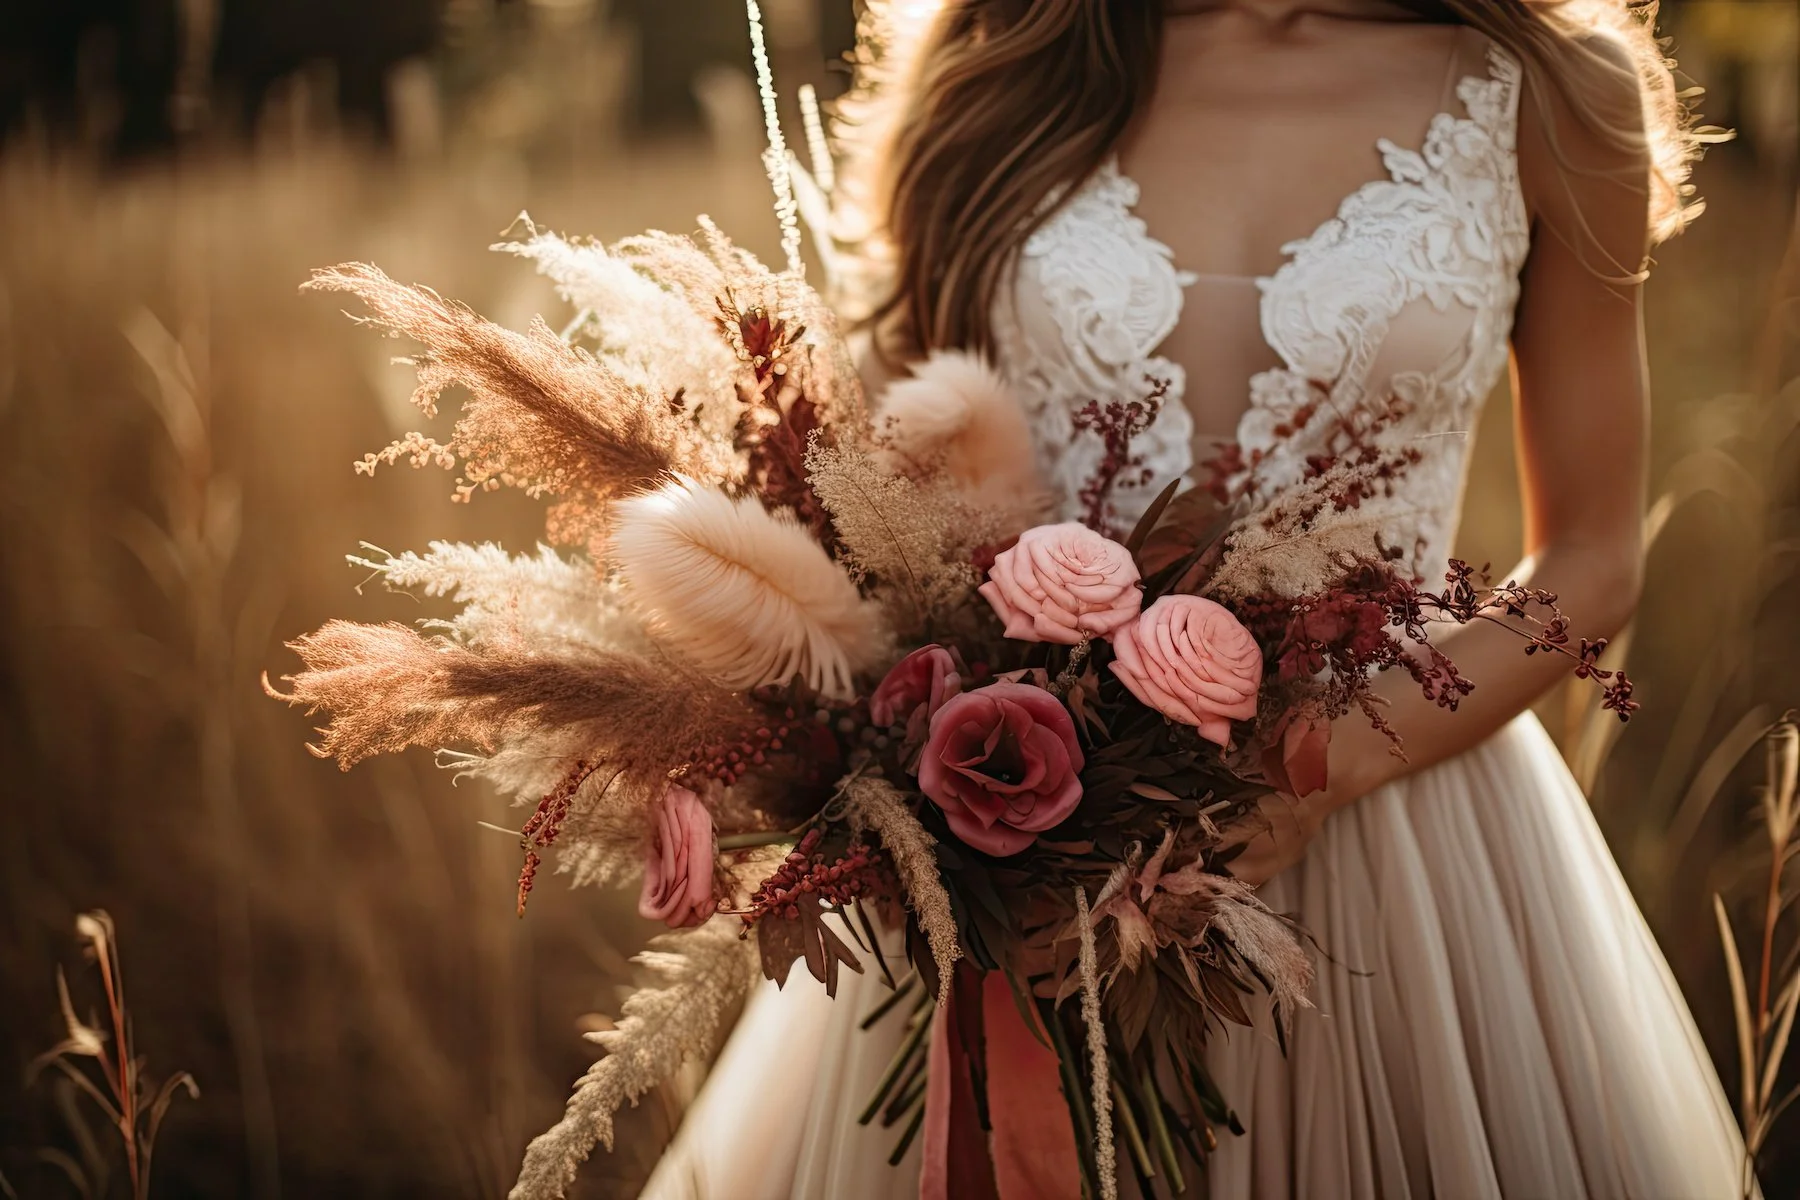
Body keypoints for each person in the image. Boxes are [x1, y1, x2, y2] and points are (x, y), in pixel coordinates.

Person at [645, 2, 1752, 1195]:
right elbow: (896, 489)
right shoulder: (1002, 55)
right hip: (1028, 831)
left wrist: (1315, 767)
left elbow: (1592, 559)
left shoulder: (1550, 92)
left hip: (1402, 836)